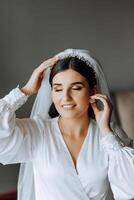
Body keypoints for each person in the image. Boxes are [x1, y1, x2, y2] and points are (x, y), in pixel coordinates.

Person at [0, 48, 134, 200]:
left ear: (92, 91)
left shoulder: (109, 135)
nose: (66, 97)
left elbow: (130, 188)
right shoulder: (37, 131)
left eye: (76, 88)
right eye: (58, 89)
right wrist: (25, 90)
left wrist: (106, 131)